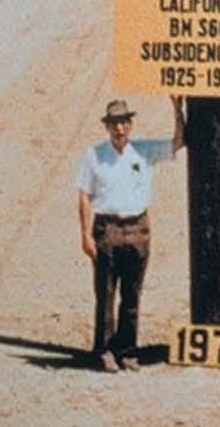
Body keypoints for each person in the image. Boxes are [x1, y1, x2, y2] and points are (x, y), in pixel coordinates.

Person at [77, 95, 186, 371]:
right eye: (114, 124)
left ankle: (127, 349)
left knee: (132, 294)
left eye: (124, 123)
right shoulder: (94, 155)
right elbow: (84, 195)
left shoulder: (143, 151)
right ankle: (103, 350)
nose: (120, 129)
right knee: (106, 293)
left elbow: (177, 143)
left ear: (130, 125)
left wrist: (177, 110)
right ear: (107, 127)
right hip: (108, 229)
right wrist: (86, 234)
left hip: (138, 228)